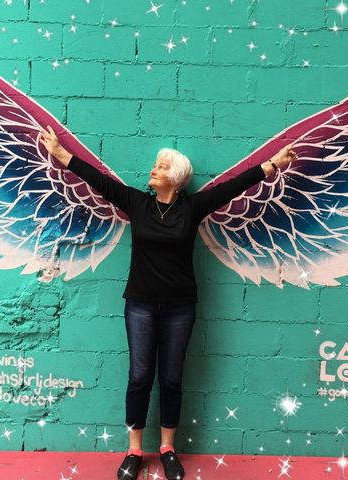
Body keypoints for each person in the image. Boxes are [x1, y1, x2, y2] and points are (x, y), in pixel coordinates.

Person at [39, 125, 298, 480]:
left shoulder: (192, 208)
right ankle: (134, 451)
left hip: (180, 307)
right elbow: (98, 181)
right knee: (139, 376)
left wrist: (273, 164)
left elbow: (235, 186)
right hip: (140, 305)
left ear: (175, 178)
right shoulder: (137, 203)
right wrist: (60, 153)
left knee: (172, 379)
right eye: (155, 165)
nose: (153, 169)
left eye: (161, 166)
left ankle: (167, 449)